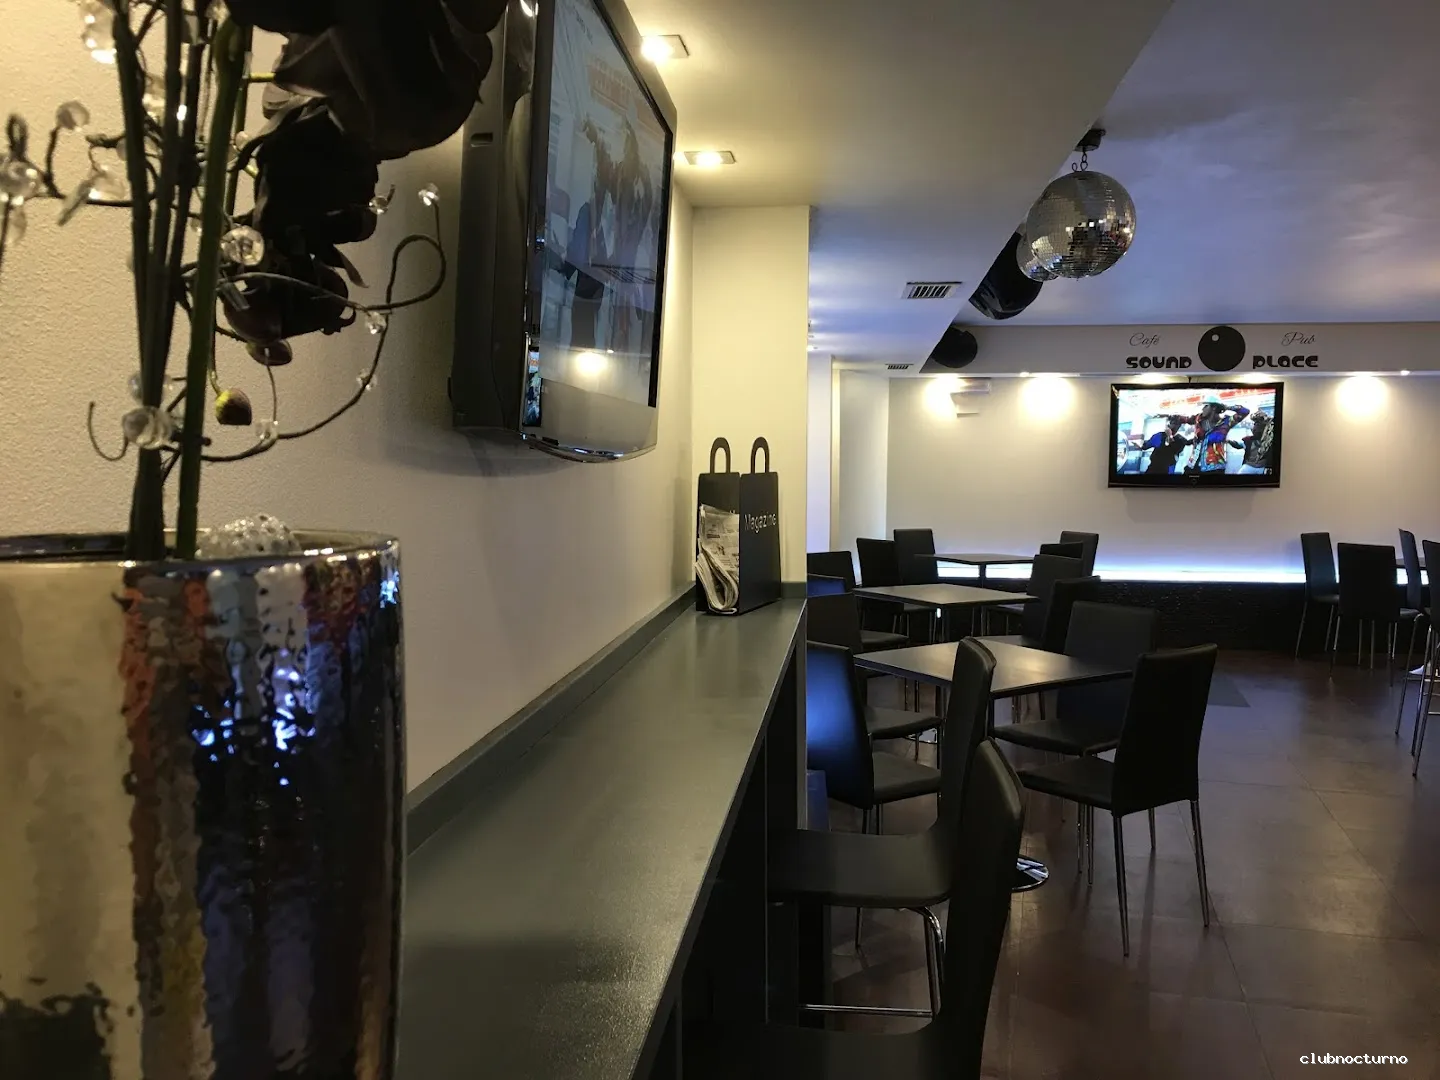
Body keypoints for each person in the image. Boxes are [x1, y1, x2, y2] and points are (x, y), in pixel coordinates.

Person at [1164, 397, 1250, 474]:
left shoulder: (1225, 422)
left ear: (1214, 407)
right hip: (1193, 465)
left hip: (1214, 468)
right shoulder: (1198, 418)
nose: (1203, 409)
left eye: (1206, 406)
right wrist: (1170, 418)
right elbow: (1182, 419)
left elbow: (1245, 411)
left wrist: (1227, 407)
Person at [1227, 410, 1275, 474]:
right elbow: (1239, 445)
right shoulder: (1248, 440)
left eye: (1257, 424)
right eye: (1255, 424)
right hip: (1249, 465)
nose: (1254, 428)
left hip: (1262, 467)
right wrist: (1229, 441)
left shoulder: (1269, 441)